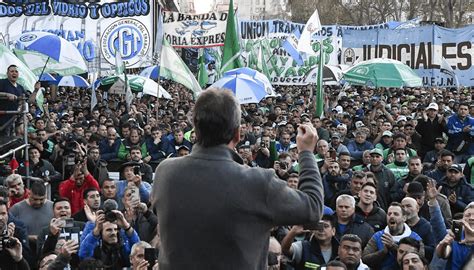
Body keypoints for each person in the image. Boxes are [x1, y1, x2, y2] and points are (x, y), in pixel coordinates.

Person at [152, 89, 324, 269]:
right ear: (238, 134)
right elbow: (313, 208)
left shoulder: (165, 172)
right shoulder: (258, 183)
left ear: (195, 129)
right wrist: (305, 152)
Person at [362, 202, 424, 270]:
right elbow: (365, 259)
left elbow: (420, 260)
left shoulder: (415, 238)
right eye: (389, 214)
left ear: (404, 218)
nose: (391, 216)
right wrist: (383, 252)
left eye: (396, 214)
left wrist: (394, 247)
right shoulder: (378, 236)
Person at [0, 65, 30, 136]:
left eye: (16, 71)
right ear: (7, 73)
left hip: (14, 118)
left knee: (12, 141)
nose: (14, 73)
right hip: (2, 118)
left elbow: (26, 100)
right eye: (12, 71)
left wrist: (36, 90)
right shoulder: (2, 82)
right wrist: (6, 94)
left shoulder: (20, 87)